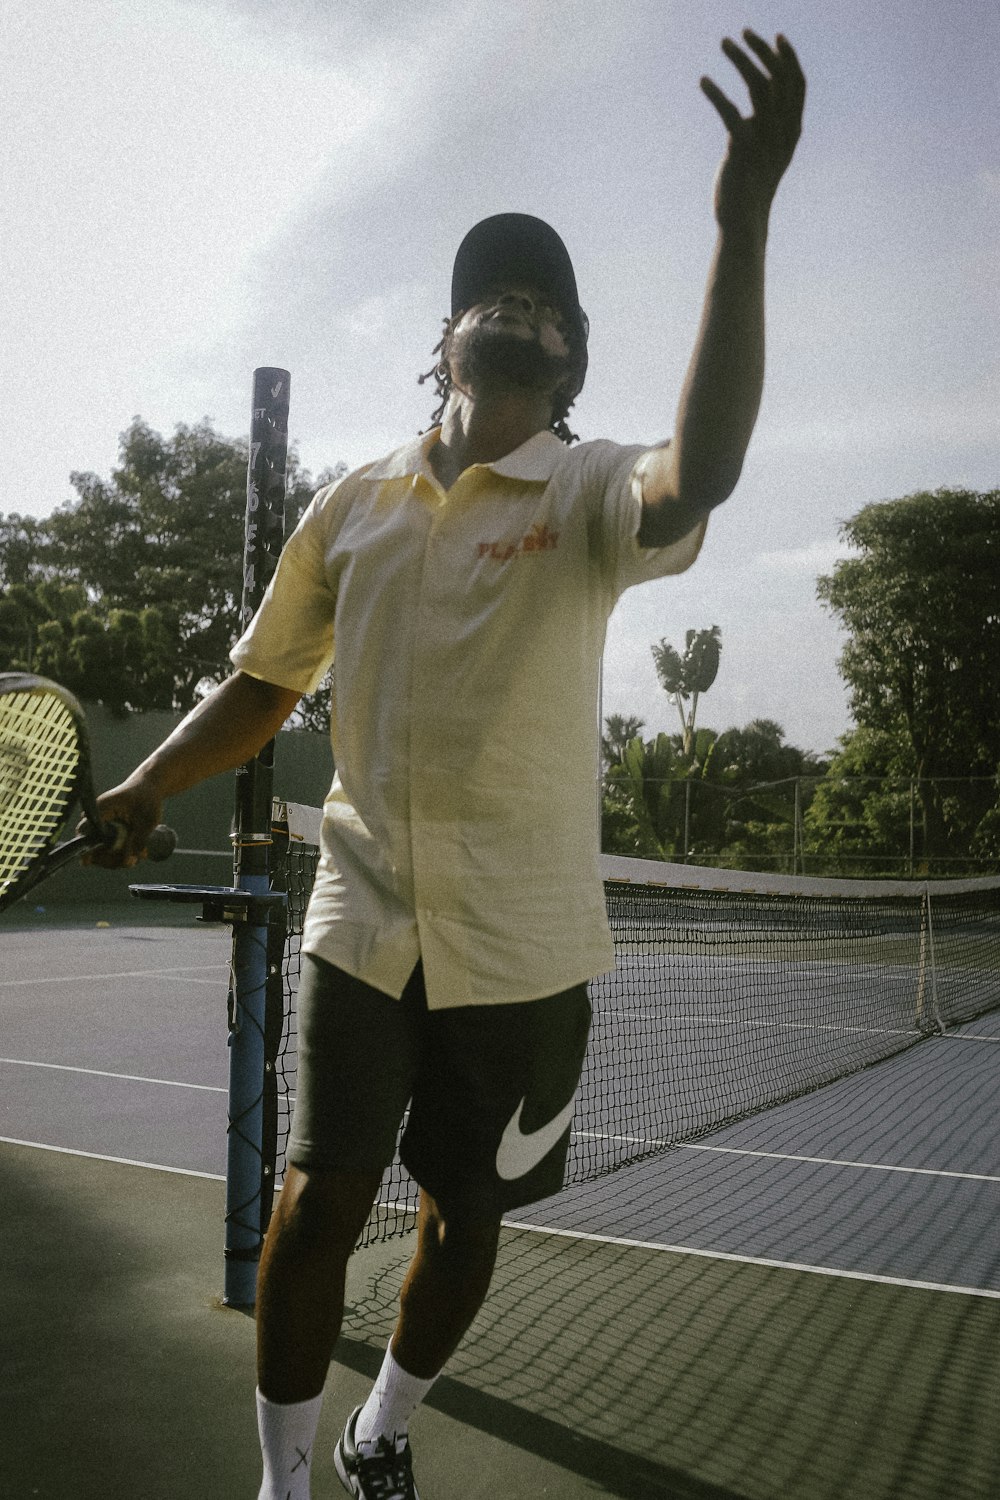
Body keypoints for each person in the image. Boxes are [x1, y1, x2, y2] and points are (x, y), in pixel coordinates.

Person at [92, 29, 805, 1500]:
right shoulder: (352, 505)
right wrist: (148, 781)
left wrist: (740, 227)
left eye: (549, 305)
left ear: (573, 363)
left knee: (463, 1221)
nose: (522, 311)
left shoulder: (601, 492)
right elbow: (260, 682)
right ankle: (288, 1487)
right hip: (361, 932)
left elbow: (706, 467)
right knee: (312, 1208)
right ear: (447, 338)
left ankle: (382, 1433)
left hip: (530, 953)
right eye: (497, 292)